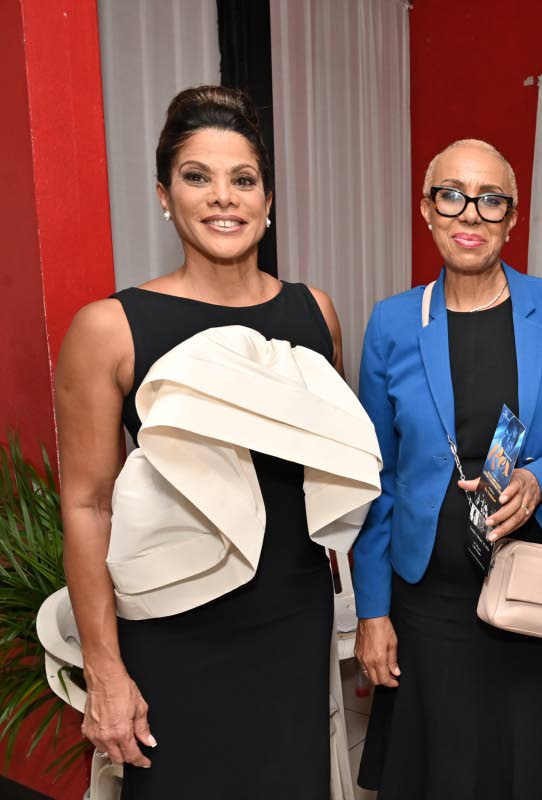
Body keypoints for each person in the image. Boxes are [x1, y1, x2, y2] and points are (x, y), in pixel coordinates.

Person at [55, 86, 347, 798]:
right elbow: (88, 505)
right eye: (197, 176)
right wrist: (105, 670)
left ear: (269, 199)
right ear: (164, 194)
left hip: (291, 624)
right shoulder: (109, 329)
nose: (224, 198)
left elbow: (332, 476)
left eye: (243, 180)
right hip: (173, 634)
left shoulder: (316, 315)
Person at [353, 139, 542, 799]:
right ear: (427, 210)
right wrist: (372, 612)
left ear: (513, 217)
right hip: (429, 605)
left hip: (539, 595)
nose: (470, 213)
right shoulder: (393, 323)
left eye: (490, 199)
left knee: (534, 773)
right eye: (452, 195)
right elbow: (373, 479)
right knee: (443, 773)